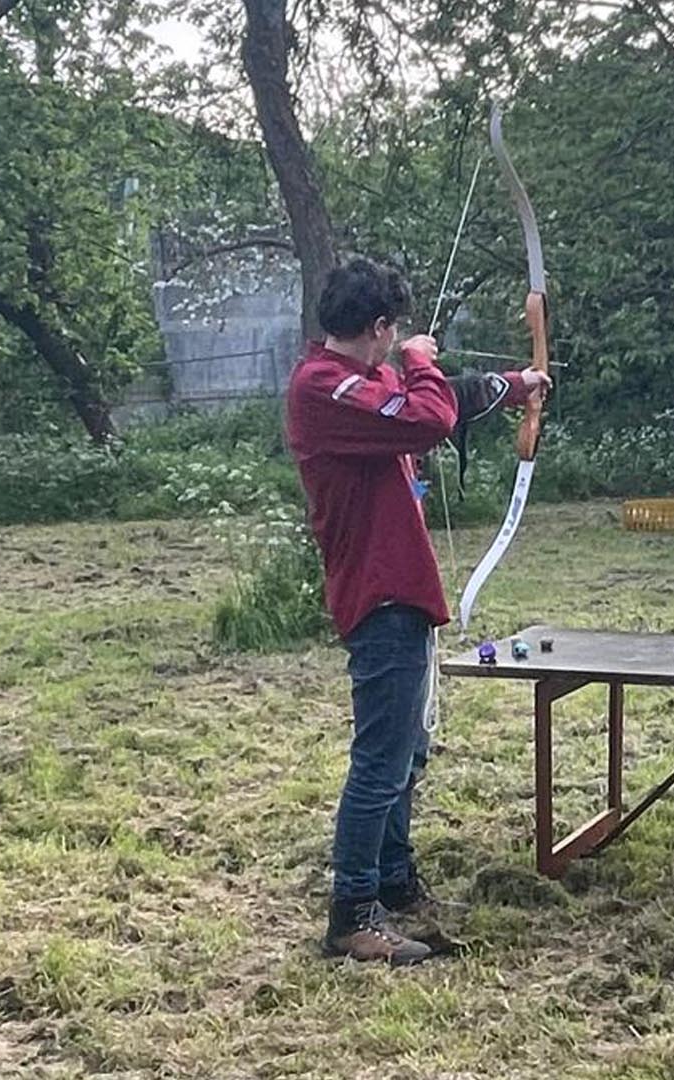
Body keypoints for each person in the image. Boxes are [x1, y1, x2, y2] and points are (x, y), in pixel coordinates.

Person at [284, 258, 549, 964]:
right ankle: (352, 914)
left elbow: (439, 399)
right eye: (392, 331)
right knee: (380, 760)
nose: (398, 341)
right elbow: (428, 414)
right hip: (380, 593)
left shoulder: (358, 384)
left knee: (407, 752)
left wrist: (515, 385)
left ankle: (394, 884)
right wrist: (419, 357)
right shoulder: (324, 387)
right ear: (377, 329)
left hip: (400, 593)